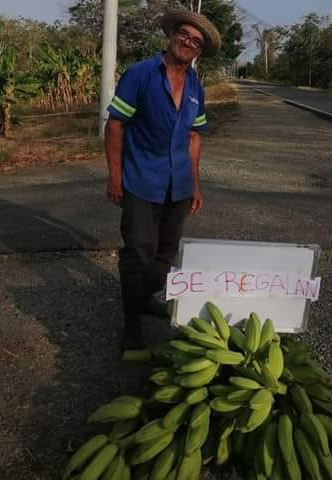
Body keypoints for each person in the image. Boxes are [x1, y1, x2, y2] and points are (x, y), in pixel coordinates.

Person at [104, 9, 222, 351]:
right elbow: (115, 126)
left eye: (195, 41)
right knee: (138, 253)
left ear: (199, 51)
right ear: (172, 36)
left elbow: (194, 138)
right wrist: (115, 178)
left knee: (165, 256)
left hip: (179, 185)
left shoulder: (196, 86)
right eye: (184, 35)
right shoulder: (140, 75)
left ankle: (141, 299)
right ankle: (131, 322)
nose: (188, 42)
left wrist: (196, 185)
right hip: (141, 180)